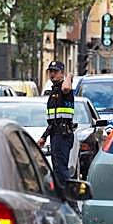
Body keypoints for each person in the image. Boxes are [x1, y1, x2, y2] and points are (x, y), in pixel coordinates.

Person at [37, 60, 75, 188]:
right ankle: (63, 200)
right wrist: (44, 136)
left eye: (55, 71)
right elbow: (53, 121)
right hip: (56, 135)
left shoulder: (65, 90)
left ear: (62, 73)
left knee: (61, 170)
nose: (52, 74)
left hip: (63, 135)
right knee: (58, 170)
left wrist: (69, 76)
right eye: (50, 71)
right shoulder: (53, 91)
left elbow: (66, 87)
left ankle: (71, 202)